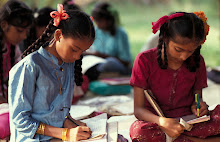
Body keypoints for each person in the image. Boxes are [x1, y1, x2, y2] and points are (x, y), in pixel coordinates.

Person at [8, 4, 95, 142]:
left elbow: (57, 109)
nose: (78, 56)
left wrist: (68, 121)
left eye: (82, 52)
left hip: (57, 135)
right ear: (58, 35)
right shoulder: (29, 66)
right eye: (74, 49)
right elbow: (21, 120)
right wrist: (65, 134)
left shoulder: (67, 63)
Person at [129, 12, 220, 142]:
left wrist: (199, 106)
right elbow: (138, 110)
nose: (184, 57)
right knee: (139, 131)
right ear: (165, 37)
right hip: (157, 122)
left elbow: (197, 98)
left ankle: (179, 138)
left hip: (189, 123)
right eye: (178, 49)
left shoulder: (198, 61)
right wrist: (162, 122)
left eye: (191, 51)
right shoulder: (144, 60)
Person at [0, 0, 33, 139]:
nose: (24, 36)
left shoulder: (12, 46)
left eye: (26, 31)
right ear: (3, 25)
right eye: (20, 31)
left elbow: (20, 71)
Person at [84, 2, 132, 81]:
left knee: (110, 63)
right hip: (96, 63)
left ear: (109, 20)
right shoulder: (96, 31)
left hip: (115, 65)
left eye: (99, 21)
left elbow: (126, 62)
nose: (97, 24)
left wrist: (101, 55)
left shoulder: (120, 33)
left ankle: (91, 76)